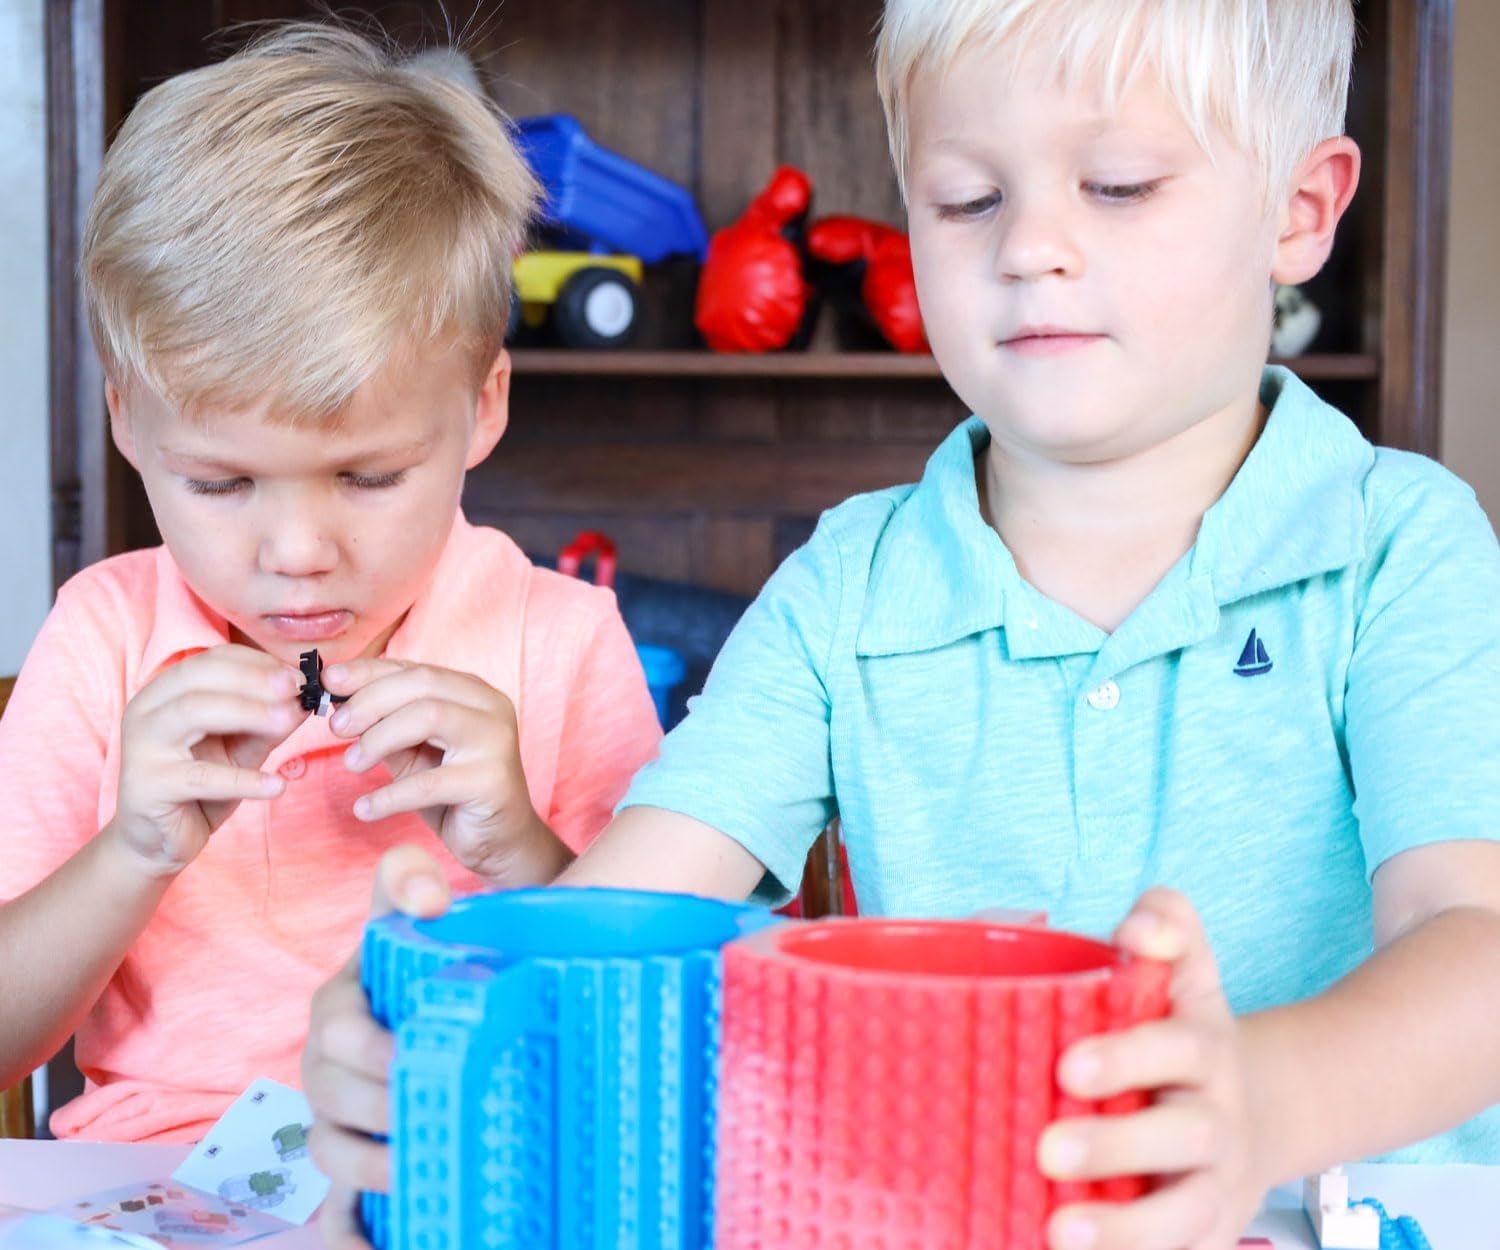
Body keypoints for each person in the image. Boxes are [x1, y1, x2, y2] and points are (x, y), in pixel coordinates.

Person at [302, 3, 1500, 1248]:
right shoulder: (849, 585)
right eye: (968, 199)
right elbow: (627, 917)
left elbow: (1477, 947)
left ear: (1302, 211)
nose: (1032, 245)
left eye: (1120, 184)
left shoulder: (1399, 548)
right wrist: (435, 1021)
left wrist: (1262, 1100)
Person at [0, 24, 662, 1144]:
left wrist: (519, 847)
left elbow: (660, 1033)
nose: (297, 550)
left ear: (483, 407)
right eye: (220, 480)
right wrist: (136, 851)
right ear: (126, 419)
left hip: (474, 1172)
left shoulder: (563, 642)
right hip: (155, 1188)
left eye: (365, 475)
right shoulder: (103, 638)